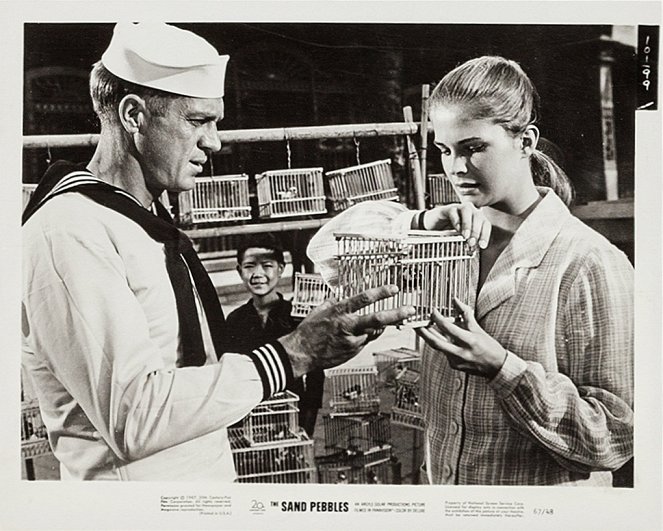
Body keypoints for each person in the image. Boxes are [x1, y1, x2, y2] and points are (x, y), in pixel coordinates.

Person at [20, 22, 414, 481]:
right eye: (197, 121)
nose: (215, 142)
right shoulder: (69, 231)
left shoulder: (141, 221)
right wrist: (293, 354)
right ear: (133, 115)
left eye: (216, 123)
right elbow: (134, 415)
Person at [307, 56, 633, 486]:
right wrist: (419, 222)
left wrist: (501, 368)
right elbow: (326, 251)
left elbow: (614, 438)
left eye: (474, 148)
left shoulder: (588, 261)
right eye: (445, 150)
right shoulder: (441, 245)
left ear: (526, 141)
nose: (456, 169)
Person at [225, 233, 325, 437]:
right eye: (249, 266)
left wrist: (306, 428)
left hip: (291, 416)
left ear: (281, 269)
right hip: (250, 422)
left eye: (267, 265)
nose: (258, 274)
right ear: (239, 271)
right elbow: (229, 376)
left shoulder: (298, 317)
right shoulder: (234, 321)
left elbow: (315, 376)